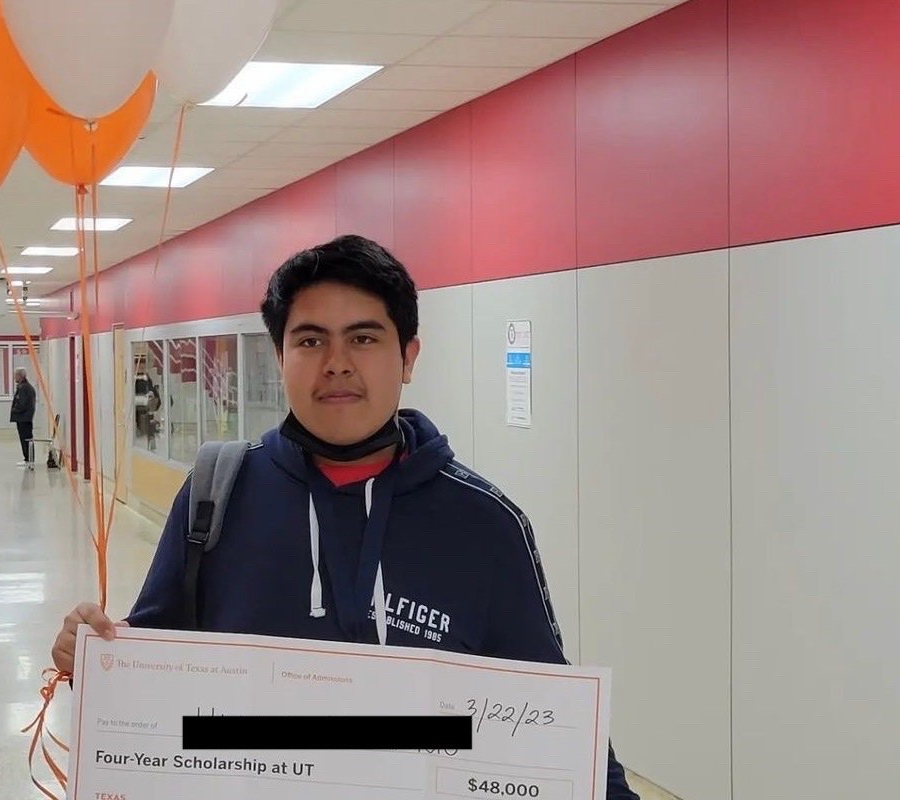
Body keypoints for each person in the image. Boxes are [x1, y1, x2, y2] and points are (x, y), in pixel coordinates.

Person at [52, 235, 640, 798]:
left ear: (408, 356)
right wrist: (97, 657)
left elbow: (553, 720)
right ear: (280, 356)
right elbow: (152, 663)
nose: (335, 363)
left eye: (363, 339)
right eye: (310, 341)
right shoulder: (215, 498)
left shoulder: (484, 523)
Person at [11, 367, 37, 467]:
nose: (14, 378)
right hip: (25, 417)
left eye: (15, 375)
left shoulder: (24, 388)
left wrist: (14, 410)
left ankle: (28, 459)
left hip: (23, 418)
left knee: (26, 438)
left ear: (20, 376)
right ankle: (28, 458)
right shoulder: (25, 387)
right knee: (26, 438)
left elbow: (21, 404)